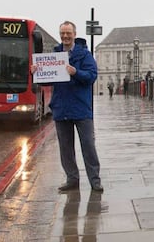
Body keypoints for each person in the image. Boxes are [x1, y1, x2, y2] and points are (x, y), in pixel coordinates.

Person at [32, 21, 103, 192]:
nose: (65, 36)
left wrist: (75, 72)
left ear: (74, 34)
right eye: (62, 33)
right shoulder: (55, 54)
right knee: (66, 148)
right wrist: (35, 72)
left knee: (88, 146)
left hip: (81, 108)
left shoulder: (84, 55)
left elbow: (91, 76)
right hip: (61, 108)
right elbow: (48, 80)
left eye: (68, 33)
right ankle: (72, 179)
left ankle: (95, 181)